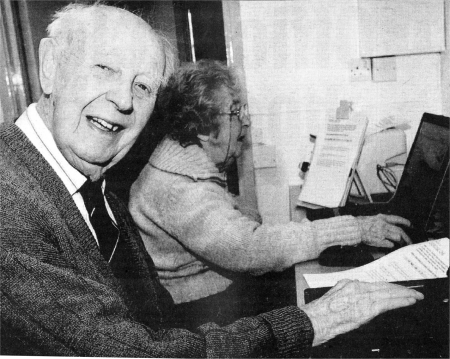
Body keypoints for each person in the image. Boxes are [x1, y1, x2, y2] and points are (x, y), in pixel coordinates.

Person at [0, 4, 423, 357]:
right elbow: (130, 350)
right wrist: (313, 321)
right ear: (51, 65)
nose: (125, 100)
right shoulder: (9, 195)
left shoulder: (93, 179)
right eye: (104, 68)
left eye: (143, 86)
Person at [129, 60, 414, 326]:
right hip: (197, 312)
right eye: (236, 111)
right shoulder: (179, 187)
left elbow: (234, 228)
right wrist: (354, 229)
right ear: (204, 128)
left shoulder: (182, 164)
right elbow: (249, 249)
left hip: (208, 296)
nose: (246, 121)